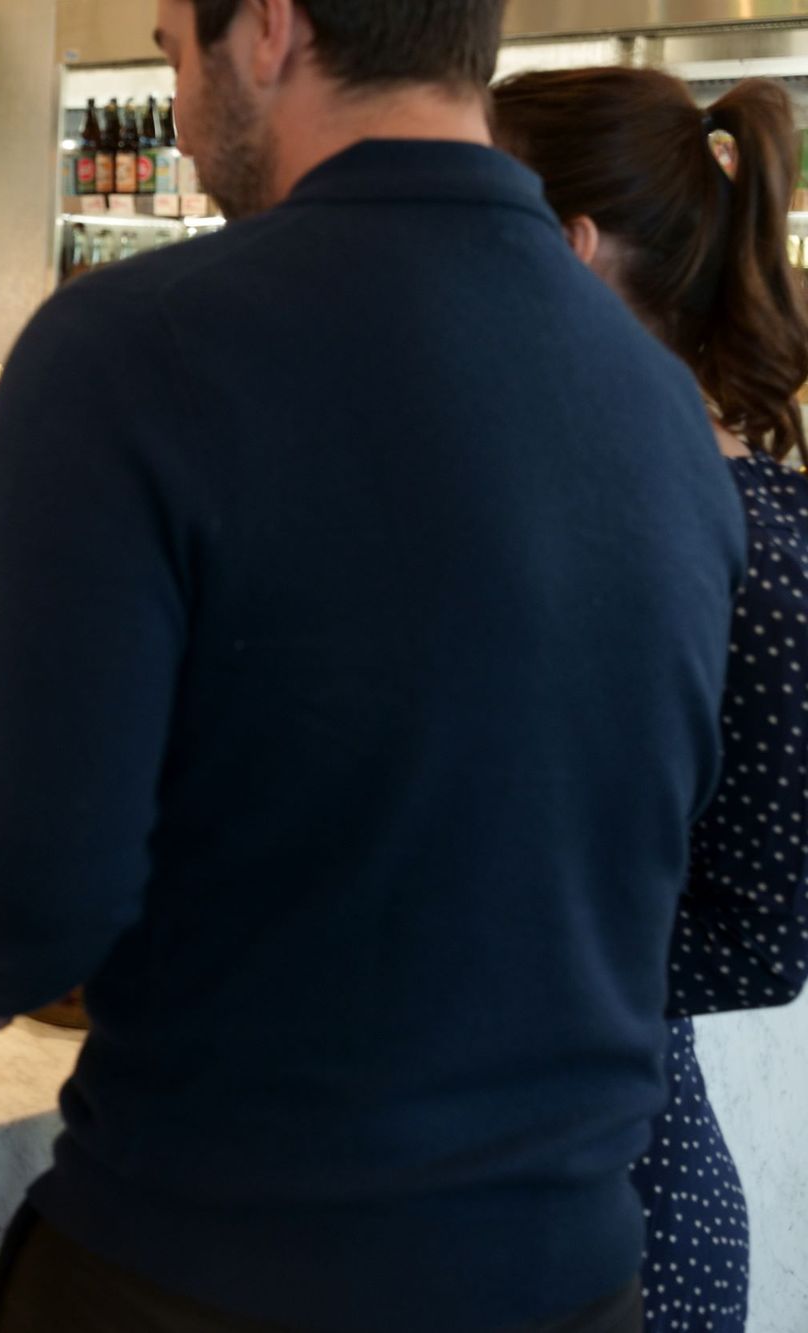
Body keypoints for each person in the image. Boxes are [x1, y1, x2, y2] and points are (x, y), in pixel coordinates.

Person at [0, 2, 747, 1330]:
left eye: (174, 48)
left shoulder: (126, 353)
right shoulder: (660, 409)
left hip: (214, 1273)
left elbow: (20, 917)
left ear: (270, 30)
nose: (175, 103)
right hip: (577, 1280)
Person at [493, 68, 808, 1333]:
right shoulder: (554, 493)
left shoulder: (758, 544)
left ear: (566, 250)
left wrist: (486, 945)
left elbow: (758, 932)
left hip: (624, 1215)